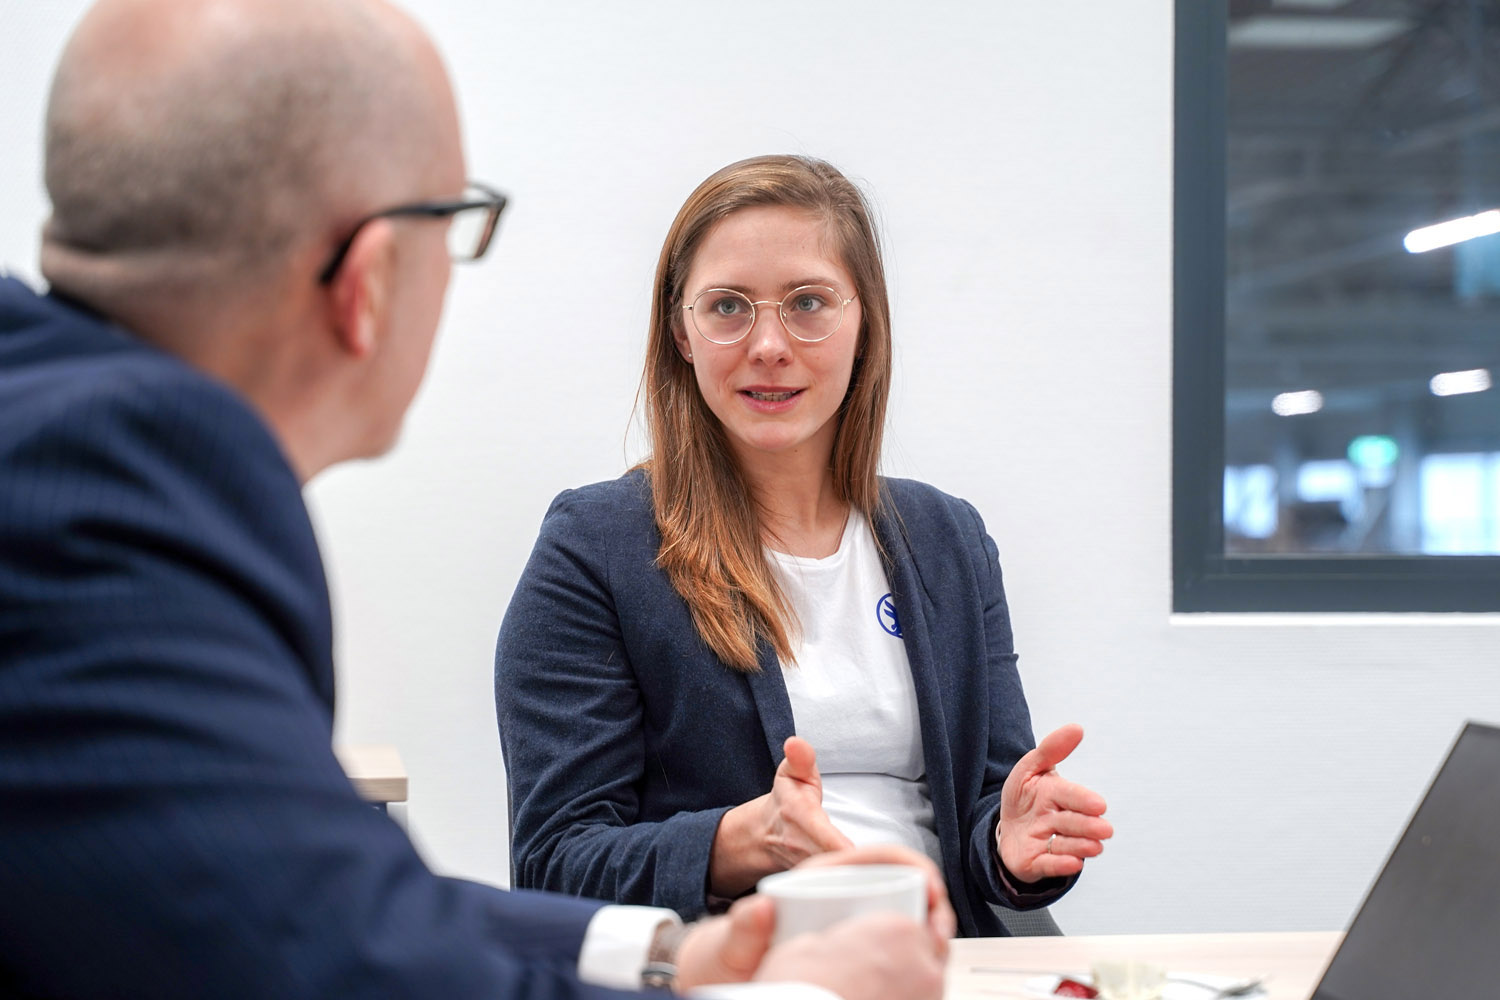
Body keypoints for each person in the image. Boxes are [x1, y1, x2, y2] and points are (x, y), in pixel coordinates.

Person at [0, 4, 952, 998]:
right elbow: (333, 964)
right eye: (455, 226)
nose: (770, 343)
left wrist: (674, 954)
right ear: (367, 280)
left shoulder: (65, 440)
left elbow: (341, 892)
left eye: (808, 303)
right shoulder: (115, 495)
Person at [495, 155, 1115, 938]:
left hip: (942, 964)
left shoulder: (949, 538)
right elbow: (553, 861)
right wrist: (734, 845)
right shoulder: (597, 548)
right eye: (727, 306)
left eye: (809, 303)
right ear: (681, 332)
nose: (769, 344)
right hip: (741, 971)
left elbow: (987, 811)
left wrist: (1009, 843)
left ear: (865, 325)